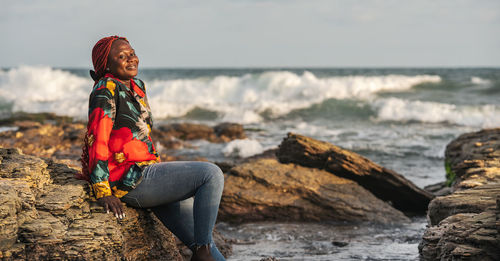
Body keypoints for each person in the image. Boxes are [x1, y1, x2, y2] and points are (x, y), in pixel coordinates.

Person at [78, 36, 225, 261]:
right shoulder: (104, 90)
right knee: (211, 174)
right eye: (121, 56)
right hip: (130, 180)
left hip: (150, 174)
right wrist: (103, 190)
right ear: (106, 65)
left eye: (132, 53)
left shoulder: (137, 86)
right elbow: (97, 139)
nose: (131, 59)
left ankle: (202, 251)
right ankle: (203, 251)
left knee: (202, 246)